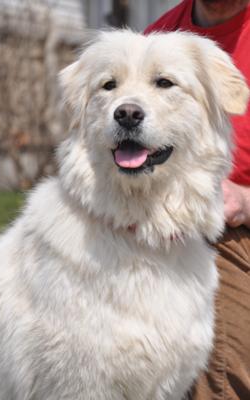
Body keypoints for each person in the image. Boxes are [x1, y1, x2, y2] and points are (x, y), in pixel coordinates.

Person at [145, 1, 250, 399]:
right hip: (159, 227)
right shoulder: (156, 41)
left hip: (229, 233)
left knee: (218, 363)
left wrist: (244, 199)